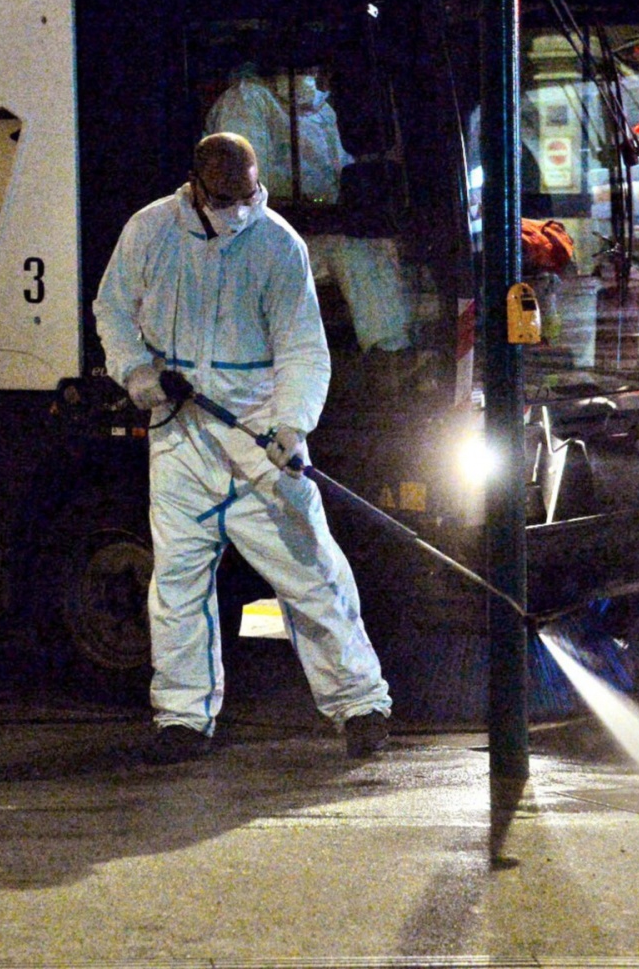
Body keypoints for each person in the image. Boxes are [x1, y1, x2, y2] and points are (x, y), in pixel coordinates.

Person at [92, 132, 393, 764]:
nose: (242, 207)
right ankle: (182, 718)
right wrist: (140, 376)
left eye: (251, 193)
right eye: (229, 198)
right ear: (198, 188)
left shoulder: (278, 243)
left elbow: (304, 348)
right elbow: (113, 310)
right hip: (182, 435)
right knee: (177, 582)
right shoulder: (149, 232)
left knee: (311, 570)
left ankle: (362, 703)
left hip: (257, 432)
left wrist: (291, 425)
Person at [205, 66, 412, 355]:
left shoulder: (323, 110)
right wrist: (319, 203)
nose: (315, 66)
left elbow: (339, 171)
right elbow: (247, 181)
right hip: (255, 240)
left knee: (378, 245)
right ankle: (390, 354)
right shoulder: (248, 101)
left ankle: (395, 353)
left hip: (314, 231)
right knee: (357, 252)